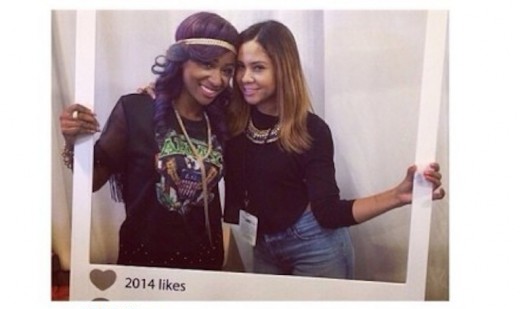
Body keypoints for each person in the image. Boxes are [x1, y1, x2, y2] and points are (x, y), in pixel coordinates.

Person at [223, 20, 445, 278]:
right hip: (262, 246)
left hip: (313, 246)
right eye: (240, 67)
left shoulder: (312, 130)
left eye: (258, 67)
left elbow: (329, 212)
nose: (245, 78)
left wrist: (397, 195)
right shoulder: (233, 122)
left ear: (283, 69)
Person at [59, 12, 239, 269]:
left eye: (227, 70)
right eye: (208, 64)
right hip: (143, 264)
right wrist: (71, 142)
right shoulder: (136, 110)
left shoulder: (223, 119)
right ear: (181, 60)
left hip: (204, 263)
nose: (218, 79)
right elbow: (93, 181)